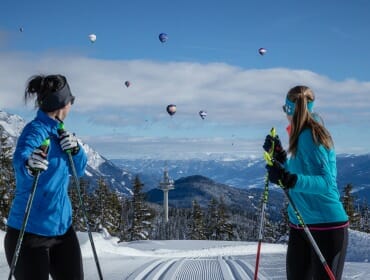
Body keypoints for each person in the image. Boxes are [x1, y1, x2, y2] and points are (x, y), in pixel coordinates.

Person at [4, 74, 87, 280]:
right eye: (71, 101)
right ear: (63, 104)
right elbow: (20, 160)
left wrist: (76, 150)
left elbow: (79, 171)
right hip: (28, 234)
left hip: (62, 231)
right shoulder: (35, 131)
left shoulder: (60, 133)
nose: (71, 105)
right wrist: (29, 166)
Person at [263, 85, 349, 279]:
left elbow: (326, 182)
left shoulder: (311, 135)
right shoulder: (300, 136)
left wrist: (289, 179)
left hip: (326, 226)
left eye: (285, 109)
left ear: (290, 109)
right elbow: (300, 172)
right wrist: (280, 158)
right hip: (300, 225)